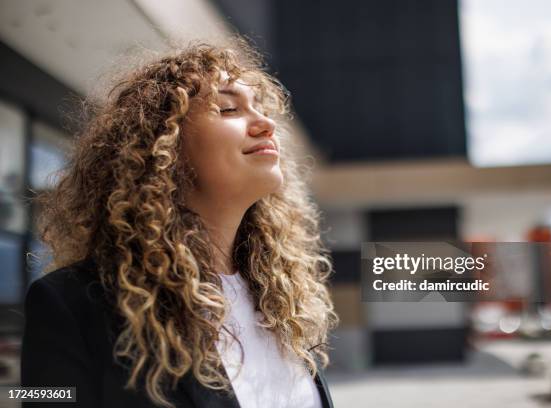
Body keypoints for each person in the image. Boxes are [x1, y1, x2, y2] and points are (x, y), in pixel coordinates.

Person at [21, 39, 338, 408]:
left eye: (262, 109)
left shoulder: (281, 304)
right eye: (228, 108)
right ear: (165, 146)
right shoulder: (72, 305)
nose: (266, 123)